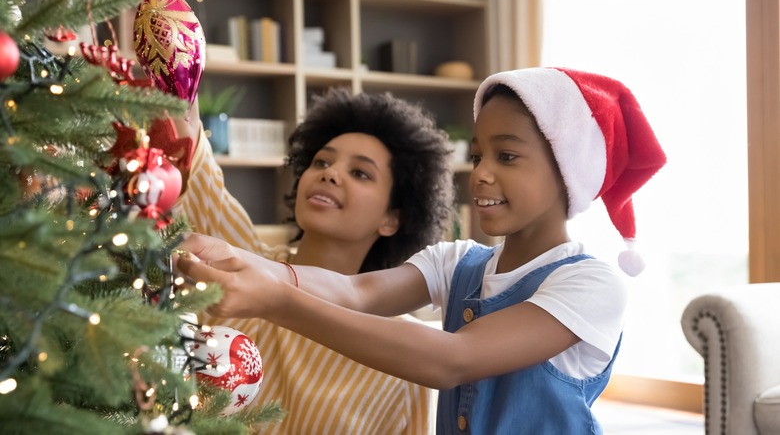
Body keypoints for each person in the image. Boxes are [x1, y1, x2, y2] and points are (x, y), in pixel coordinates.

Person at [175, 67, 667, 433]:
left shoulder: (590, 284)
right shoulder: (457, 262)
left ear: (568, 171)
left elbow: (452, 358)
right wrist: (255, 267)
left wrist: (276, 297)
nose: (481, 173)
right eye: (477, 155)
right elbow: (356, 292)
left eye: (507, 155)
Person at [173, 87, 455, 433]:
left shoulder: (401, 352)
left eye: (360, 173)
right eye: (321, 161)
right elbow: (196, 166)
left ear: (392, 219)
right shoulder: (244, 260)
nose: (330, 173)